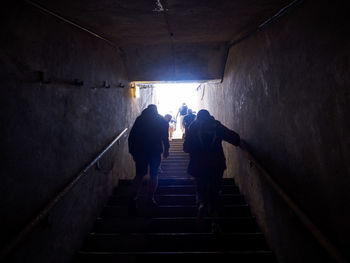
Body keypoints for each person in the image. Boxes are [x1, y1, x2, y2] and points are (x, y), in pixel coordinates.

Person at [183, 109, 240, 233]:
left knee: (201, 189)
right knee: (215, 192)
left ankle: (202, 205)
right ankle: (215, 223)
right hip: (216, 165)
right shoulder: (215, 125)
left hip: (198, 166)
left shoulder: (194, 126)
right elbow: (235, 139)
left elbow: (186, 147)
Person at [128, 104, 170, 214]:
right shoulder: (161, 120)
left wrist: (132, 151)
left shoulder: (140, 119)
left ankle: (133, 197)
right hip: (155, 152)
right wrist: (166, 150)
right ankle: (150, 198)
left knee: (140, 174)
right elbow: (165, 137)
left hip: (141, 152)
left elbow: (132, 136)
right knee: (154, 175)